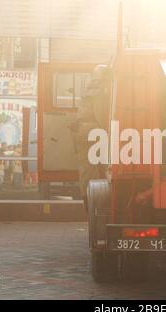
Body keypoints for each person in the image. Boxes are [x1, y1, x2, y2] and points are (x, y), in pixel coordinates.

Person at [72, 64, 110, 209]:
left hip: (84, 132)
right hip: (93, 132)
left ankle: (88, 202)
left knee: (87, 170)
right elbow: (101, 116)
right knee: (99, 169)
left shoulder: (90, 89)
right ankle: (94, 204)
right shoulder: (99, 92)